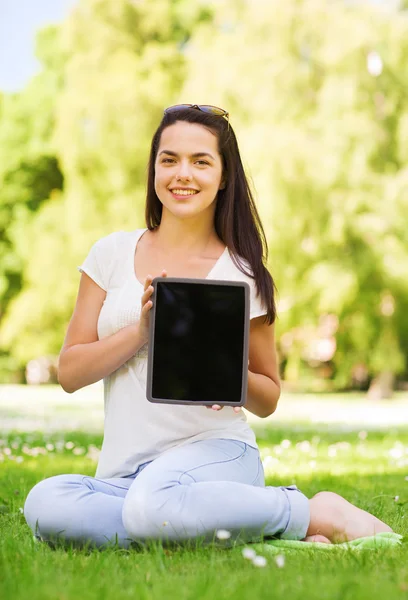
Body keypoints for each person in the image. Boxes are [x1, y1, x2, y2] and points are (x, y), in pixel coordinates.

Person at [24, 104, 392, 549]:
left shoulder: (243, 272)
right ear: (154, 169)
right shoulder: (110, 254)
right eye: (169, 159)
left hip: (217, 454)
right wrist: (142, 332)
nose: (183, 174)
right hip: (127, 473)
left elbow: (269, 396)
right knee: (47, 502)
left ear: (223, 177)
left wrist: (226, 373)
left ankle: (312, 512)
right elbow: (69, 373)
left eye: (201, 162)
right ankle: (213, 525)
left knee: (150, 507)